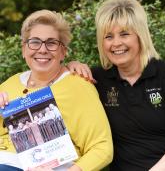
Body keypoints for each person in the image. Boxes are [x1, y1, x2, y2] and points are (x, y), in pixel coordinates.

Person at [67, 0, 165, 171]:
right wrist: (71, 67)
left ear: (140, 36)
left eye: (125, 34)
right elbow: (56, 90)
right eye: (108, 36)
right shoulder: (96, 79)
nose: (116, 43)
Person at [0, 9, 113, 171]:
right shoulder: (9, 84)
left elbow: (102, 148)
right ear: (24, 49)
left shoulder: (78, 85)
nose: (42, 49)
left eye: (51, 43)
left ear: (63, 51)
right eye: (34, 42)